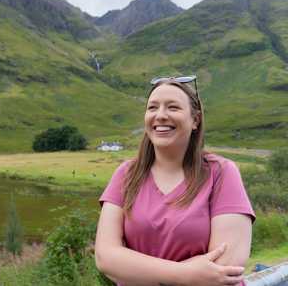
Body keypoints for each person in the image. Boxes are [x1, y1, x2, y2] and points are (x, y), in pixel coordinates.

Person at [95, 76, 255, 286]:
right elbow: (105, 257)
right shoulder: (126, 174)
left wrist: (135, 270)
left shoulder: (221, 173)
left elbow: (225, 267)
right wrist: (184, 274)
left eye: (173, 107)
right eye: (152, 107)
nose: (160, 115)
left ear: (195, 120)